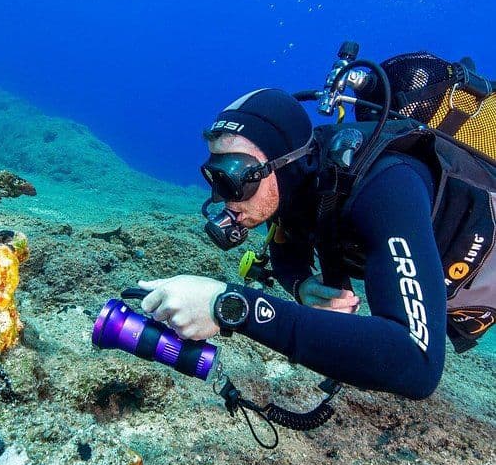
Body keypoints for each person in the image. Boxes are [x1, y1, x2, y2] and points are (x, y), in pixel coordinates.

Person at [138, 88, 446, 400]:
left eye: (236, 176)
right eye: (217, 177)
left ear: (283, 165)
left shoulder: (389, 188)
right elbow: (285, 250)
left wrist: (228, 305)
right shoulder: (293, 186)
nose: (224, 197)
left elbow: (416, 361)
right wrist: (301, 286)